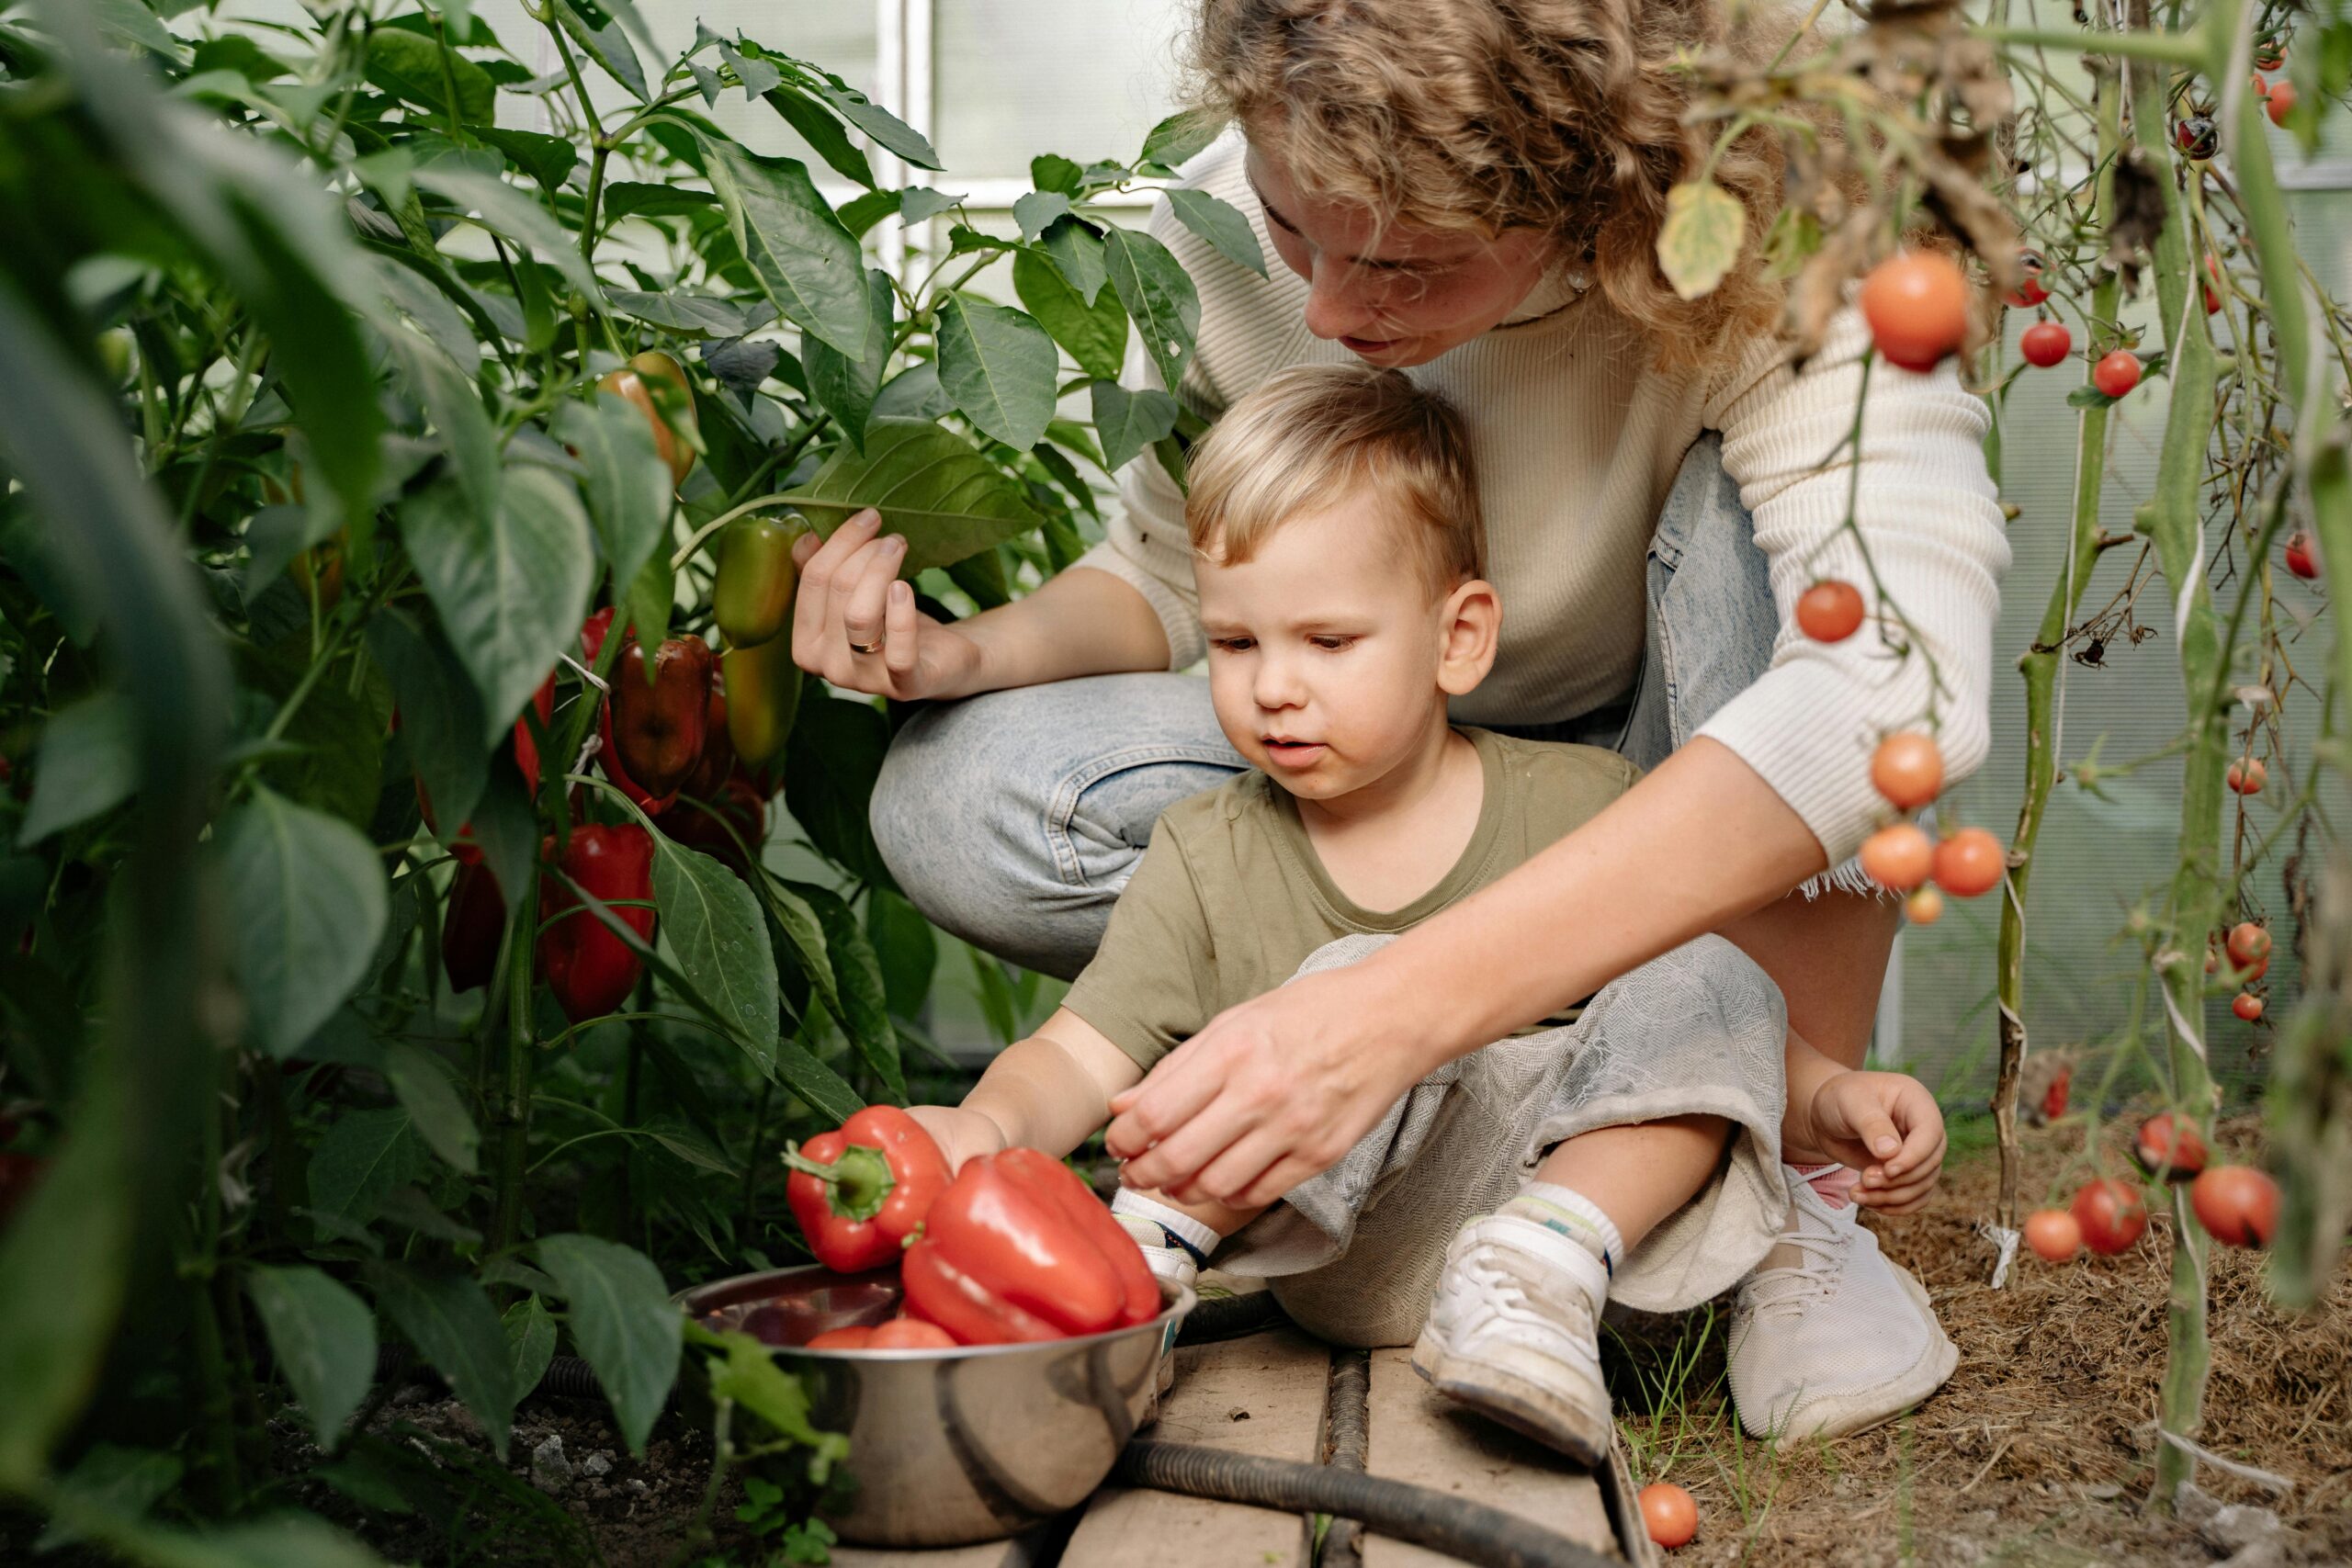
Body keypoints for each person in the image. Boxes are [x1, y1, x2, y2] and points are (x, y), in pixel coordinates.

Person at [791, 0, 2007, 1441]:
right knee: (954, 790)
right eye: (1292, 228)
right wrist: (960, 650)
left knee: (1797, 564)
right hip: (1384, 776)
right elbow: (1176, 572)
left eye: (1404, 263)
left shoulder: (1780, 225)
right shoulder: (1246, 217)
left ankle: (1785, 1204)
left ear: (1591, 187)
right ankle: (1441, 1136)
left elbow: (1900, 673)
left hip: (1669, 775)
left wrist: (1393, 1004)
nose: (1323, 313)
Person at [901, 364, 1948, 1461]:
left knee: (1712, 969)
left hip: (1576, 1242)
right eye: (1236, 642)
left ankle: (1537, 1269)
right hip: (1340, 1245)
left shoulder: (1580, 808)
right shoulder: (1204, 849)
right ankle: (1139, 1263)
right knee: (1345, 981)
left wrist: (1827, 1096)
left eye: (1329, 642)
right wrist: (985, 1127)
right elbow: (1078, 1051)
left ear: (1458, 638)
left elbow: (1701, 1022)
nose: (1272, 688)